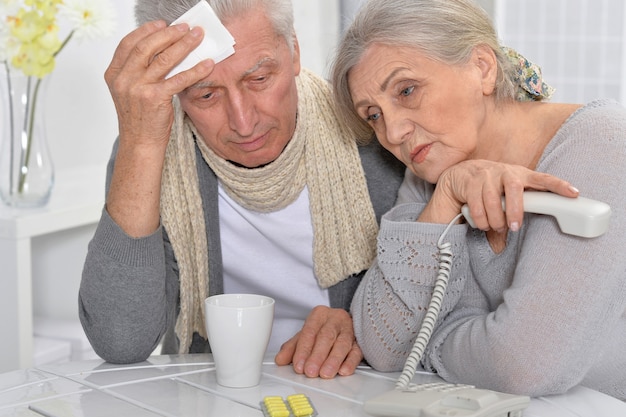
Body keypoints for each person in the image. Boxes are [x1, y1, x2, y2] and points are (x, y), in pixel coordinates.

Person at [78, 0, 406, 380]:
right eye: (205, 95)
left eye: (260, 79)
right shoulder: (148, 153)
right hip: (214, 391)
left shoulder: (376, 133)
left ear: (294, 50)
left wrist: (368, 324)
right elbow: (120, 341)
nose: (244, 122)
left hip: (352, 384)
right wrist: (139, 143)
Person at [330, 0, 626, 400]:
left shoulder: (603, 144)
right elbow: (382, 346)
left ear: (482, 68)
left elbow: (523, 364)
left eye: (407, 90)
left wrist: (428, 345)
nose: (395, 131)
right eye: (374, 115)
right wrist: (441, 206)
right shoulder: (430, 170)